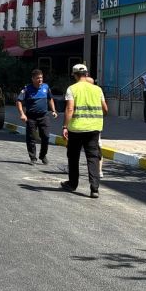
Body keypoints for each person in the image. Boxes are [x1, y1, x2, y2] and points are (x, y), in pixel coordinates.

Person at [60, 63, 108, 198]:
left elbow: (70, 109)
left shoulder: (72, 89)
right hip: (94, 129)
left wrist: (65, 126)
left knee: (73, 157)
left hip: (76, 129)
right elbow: (105, 109)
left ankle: (72, 184)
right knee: (93, 158)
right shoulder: (97, 89)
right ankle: (94, 189)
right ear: (86, 74)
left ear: (74, 75)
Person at [16, 69, 57, 165]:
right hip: (31, 117)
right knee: (31, 137)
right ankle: (32, 157)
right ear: (33, 79)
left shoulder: (46, 87)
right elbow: (19, 101)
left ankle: (43, 155)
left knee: (46, 136)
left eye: (41, 78)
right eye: (38, 78)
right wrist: (22, 114)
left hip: (44, 116)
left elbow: (50, 99)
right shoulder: (27, 89)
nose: (40, 80)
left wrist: (54, 110)